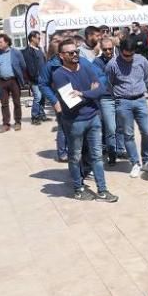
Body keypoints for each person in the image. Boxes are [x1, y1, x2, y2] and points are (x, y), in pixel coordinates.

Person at [51, 39, 117, 203]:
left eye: (76, 52)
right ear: (61, 55)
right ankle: (78, 189)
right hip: (75, 122)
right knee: (75, 157)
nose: (75, 55)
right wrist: (90, 92)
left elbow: (102, 89)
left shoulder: (86, 66)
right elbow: (71, 103)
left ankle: (102, 190)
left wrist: (83, 94)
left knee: (97, 156)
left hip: (93, 118)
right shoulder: (59, 74)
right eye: (70, 53)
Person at [107, 38, 148, 179]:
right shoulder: (112, 64)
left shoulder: (142, 61)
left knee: (147, 132)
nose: (128, 58)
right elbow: (109, 84)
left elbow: (146, 78)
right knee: (128, 134)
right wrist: (119, 97)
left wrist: (141, 90)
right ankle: (135, 162)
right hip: (123, 102)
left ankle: (147, 161)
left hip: (140, 100)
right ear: (120, 51)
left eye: (131, 54)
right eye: (125, 55)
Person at [94, 38, 127, 166]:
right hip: (106, 97)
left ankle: (120, 149)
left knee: (120, 125)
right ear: (101, 49)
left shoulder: (120, 59)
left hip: (120, 96)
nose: (108, 51)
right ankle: (112, 152)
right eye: (105, 49)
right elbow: (98, 79)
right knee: (110, 127)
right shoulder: (97, 62)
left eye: (110, 48)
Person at [0, 33, 28, 132]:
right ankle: (6, 124)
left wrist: (22, 79)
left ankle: (17, 122)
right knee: (4, 104)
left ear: (7, 42)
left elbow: (23, 66)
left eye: (1, 42)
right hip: (2, 81)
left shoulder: (16, 53)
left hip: (14, 80)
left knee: (17, 102)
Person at [22, 32, 48, 125]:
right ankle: (35, 117)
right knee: (38, 97)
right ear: (32, 38)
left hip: (44, 78)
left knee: (43, 97)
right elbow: (30, 67)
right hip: (35, 79)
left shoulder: (40, 49)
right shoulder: (28, 51)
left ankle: (41, 114)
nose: (39, 40)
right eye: (38, 38)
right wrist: (35, 78)